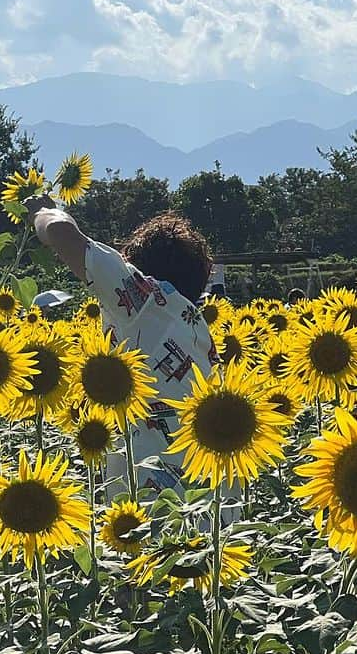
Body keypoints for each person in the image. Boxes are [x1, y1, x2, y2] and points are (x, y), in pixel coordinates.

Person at [24, 196, 218, 498]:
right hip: (207, 514)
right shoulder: (197, 331)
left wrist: (43, 210)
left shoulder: (144, 300)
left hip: (153, 519)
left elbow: (61, 232)